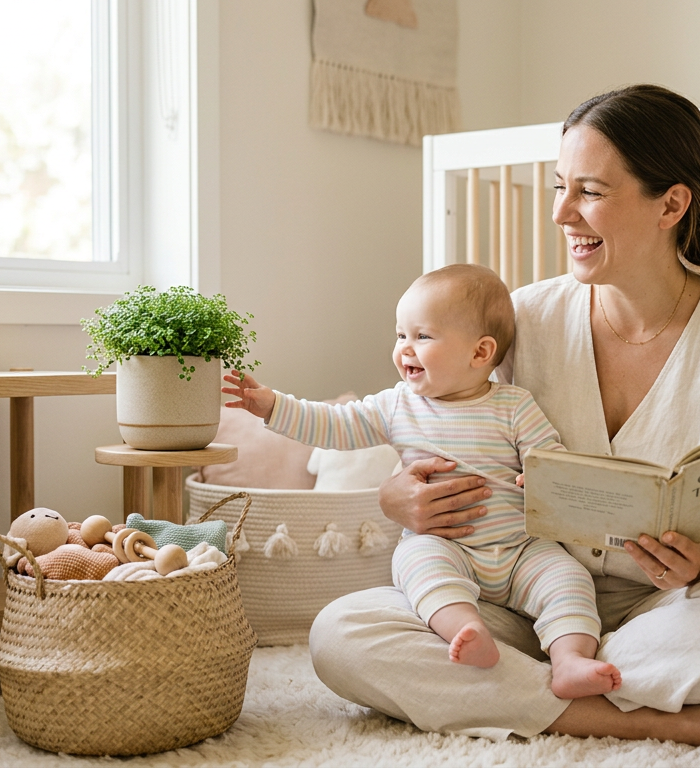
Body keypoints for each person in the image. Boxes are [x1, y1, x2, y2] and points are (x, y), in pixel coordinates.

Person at [308, 84, 700, 755]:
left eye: (590, 192)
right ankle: (650, 717)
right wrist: (396, 497)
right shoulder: (520, 321)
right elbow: (427, 423)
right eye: (559, 187)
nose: (561, 213)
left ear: (671, 203)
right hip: (520, 593)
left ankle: (538, 691)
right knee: (343, 634)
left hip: (665, 610)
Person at [222, 263, 623, 699]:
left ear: (479, 352)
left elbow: (548, 455)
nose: (404, 349)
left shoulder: (513, 405)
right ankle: (467, 631)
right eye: (400, 335)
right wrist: (273, 407)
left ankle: (569, 660)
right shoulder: (397, 406)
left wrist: (542, 474)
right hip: (445, 545)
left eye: (422, 336)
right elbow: (334, 424)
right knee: (417, 561)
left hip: (521, 548)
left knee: (567, 578)